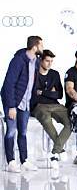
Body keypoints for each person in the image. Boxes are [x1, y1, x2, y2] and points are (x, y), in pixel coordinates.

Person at [1, 36, 43, 173]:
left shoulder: (36, 62)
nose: (42, 47)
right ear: (35, 47)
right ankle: (11, 161)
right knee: (11, 131)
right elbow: (8, 84)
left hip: (25, 103)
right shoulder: (18, 60)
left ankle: (24, 160)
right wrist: (11, 106)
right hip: (12, 102)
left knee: (23, 132)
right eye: (41, 45)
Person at [31, 49, 70, 169]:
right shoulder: (33, 73)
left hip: (55, 105)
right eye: (47, 61)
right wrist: (50, 92)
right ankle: (60, 150)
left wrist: (42, 92)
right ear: (40, 60)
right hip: (38, 106)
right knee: (46, 120)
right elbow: (33, 94)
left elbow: (59, 95)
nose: (49, 64)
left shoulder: (54, 74)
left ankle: (55, 152)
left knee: (71, 122)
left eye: (51, 61)